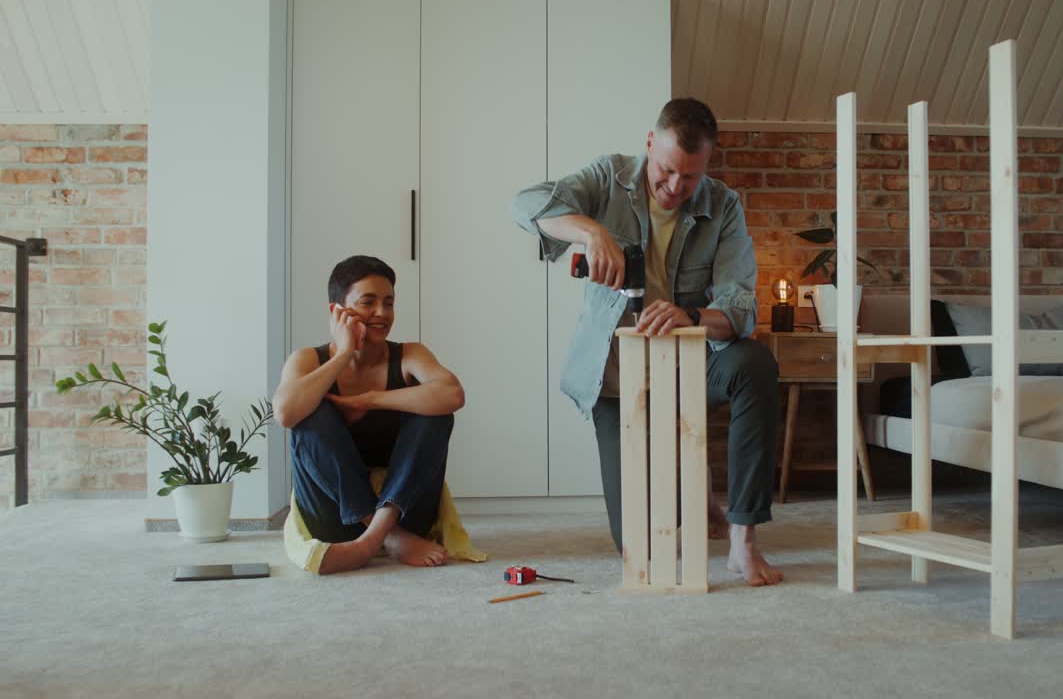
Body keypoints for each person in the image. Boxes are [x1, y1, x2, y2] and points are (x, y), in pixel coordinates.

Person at [512, 98, 782, 586]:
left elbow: (741, 308)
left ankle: (743, 537)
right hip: (618, 383)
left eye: (690, 177)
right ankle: (693, 488)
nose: (675, 187)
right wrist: (592, 233)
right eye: (667, 171)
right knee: (641, 546)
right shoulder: (607, 178)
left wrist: (691, 316)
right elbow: (526, 204)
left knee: (754, 364)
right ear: (650, 143)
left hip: (690, 369)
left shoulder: (723, 205)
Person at [272, 255, 466, 575]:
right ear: (337, 311)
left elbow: (453, 395)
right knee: (309, 413)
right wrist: (344, 352)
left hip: (405, 512)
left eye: (388, 303)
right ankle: (389, 539)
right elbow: (285, 413)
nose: (381, 313)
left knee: (435, 413)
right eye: (368, 302)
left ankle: (379, 536)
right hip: (334, 516)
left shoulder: (410, 354)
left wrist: (371, 400)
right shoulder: (307, 359)